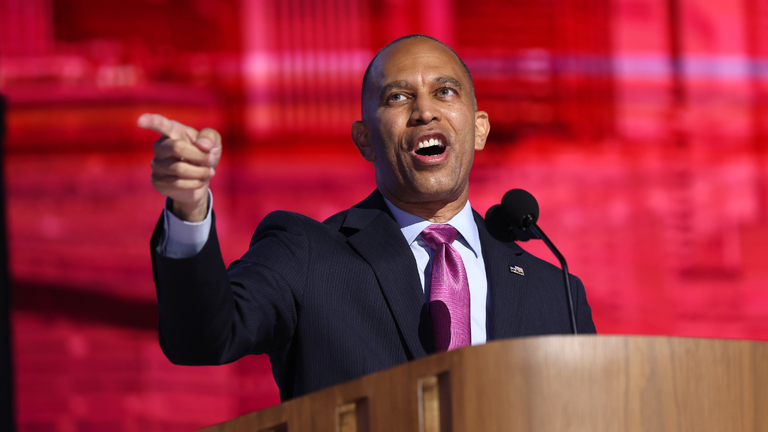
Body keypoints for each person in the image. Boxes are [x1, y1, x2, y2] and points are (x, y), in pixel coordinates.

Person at [140, 34, 596, 402]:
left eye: (445, 92)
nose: (424, 111)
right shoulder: (306, 254)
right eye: (398, 97)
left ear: (479, 129)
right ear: (365, 140)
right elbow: (201, 338)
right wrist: (189, 208)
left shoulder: (556, 292)